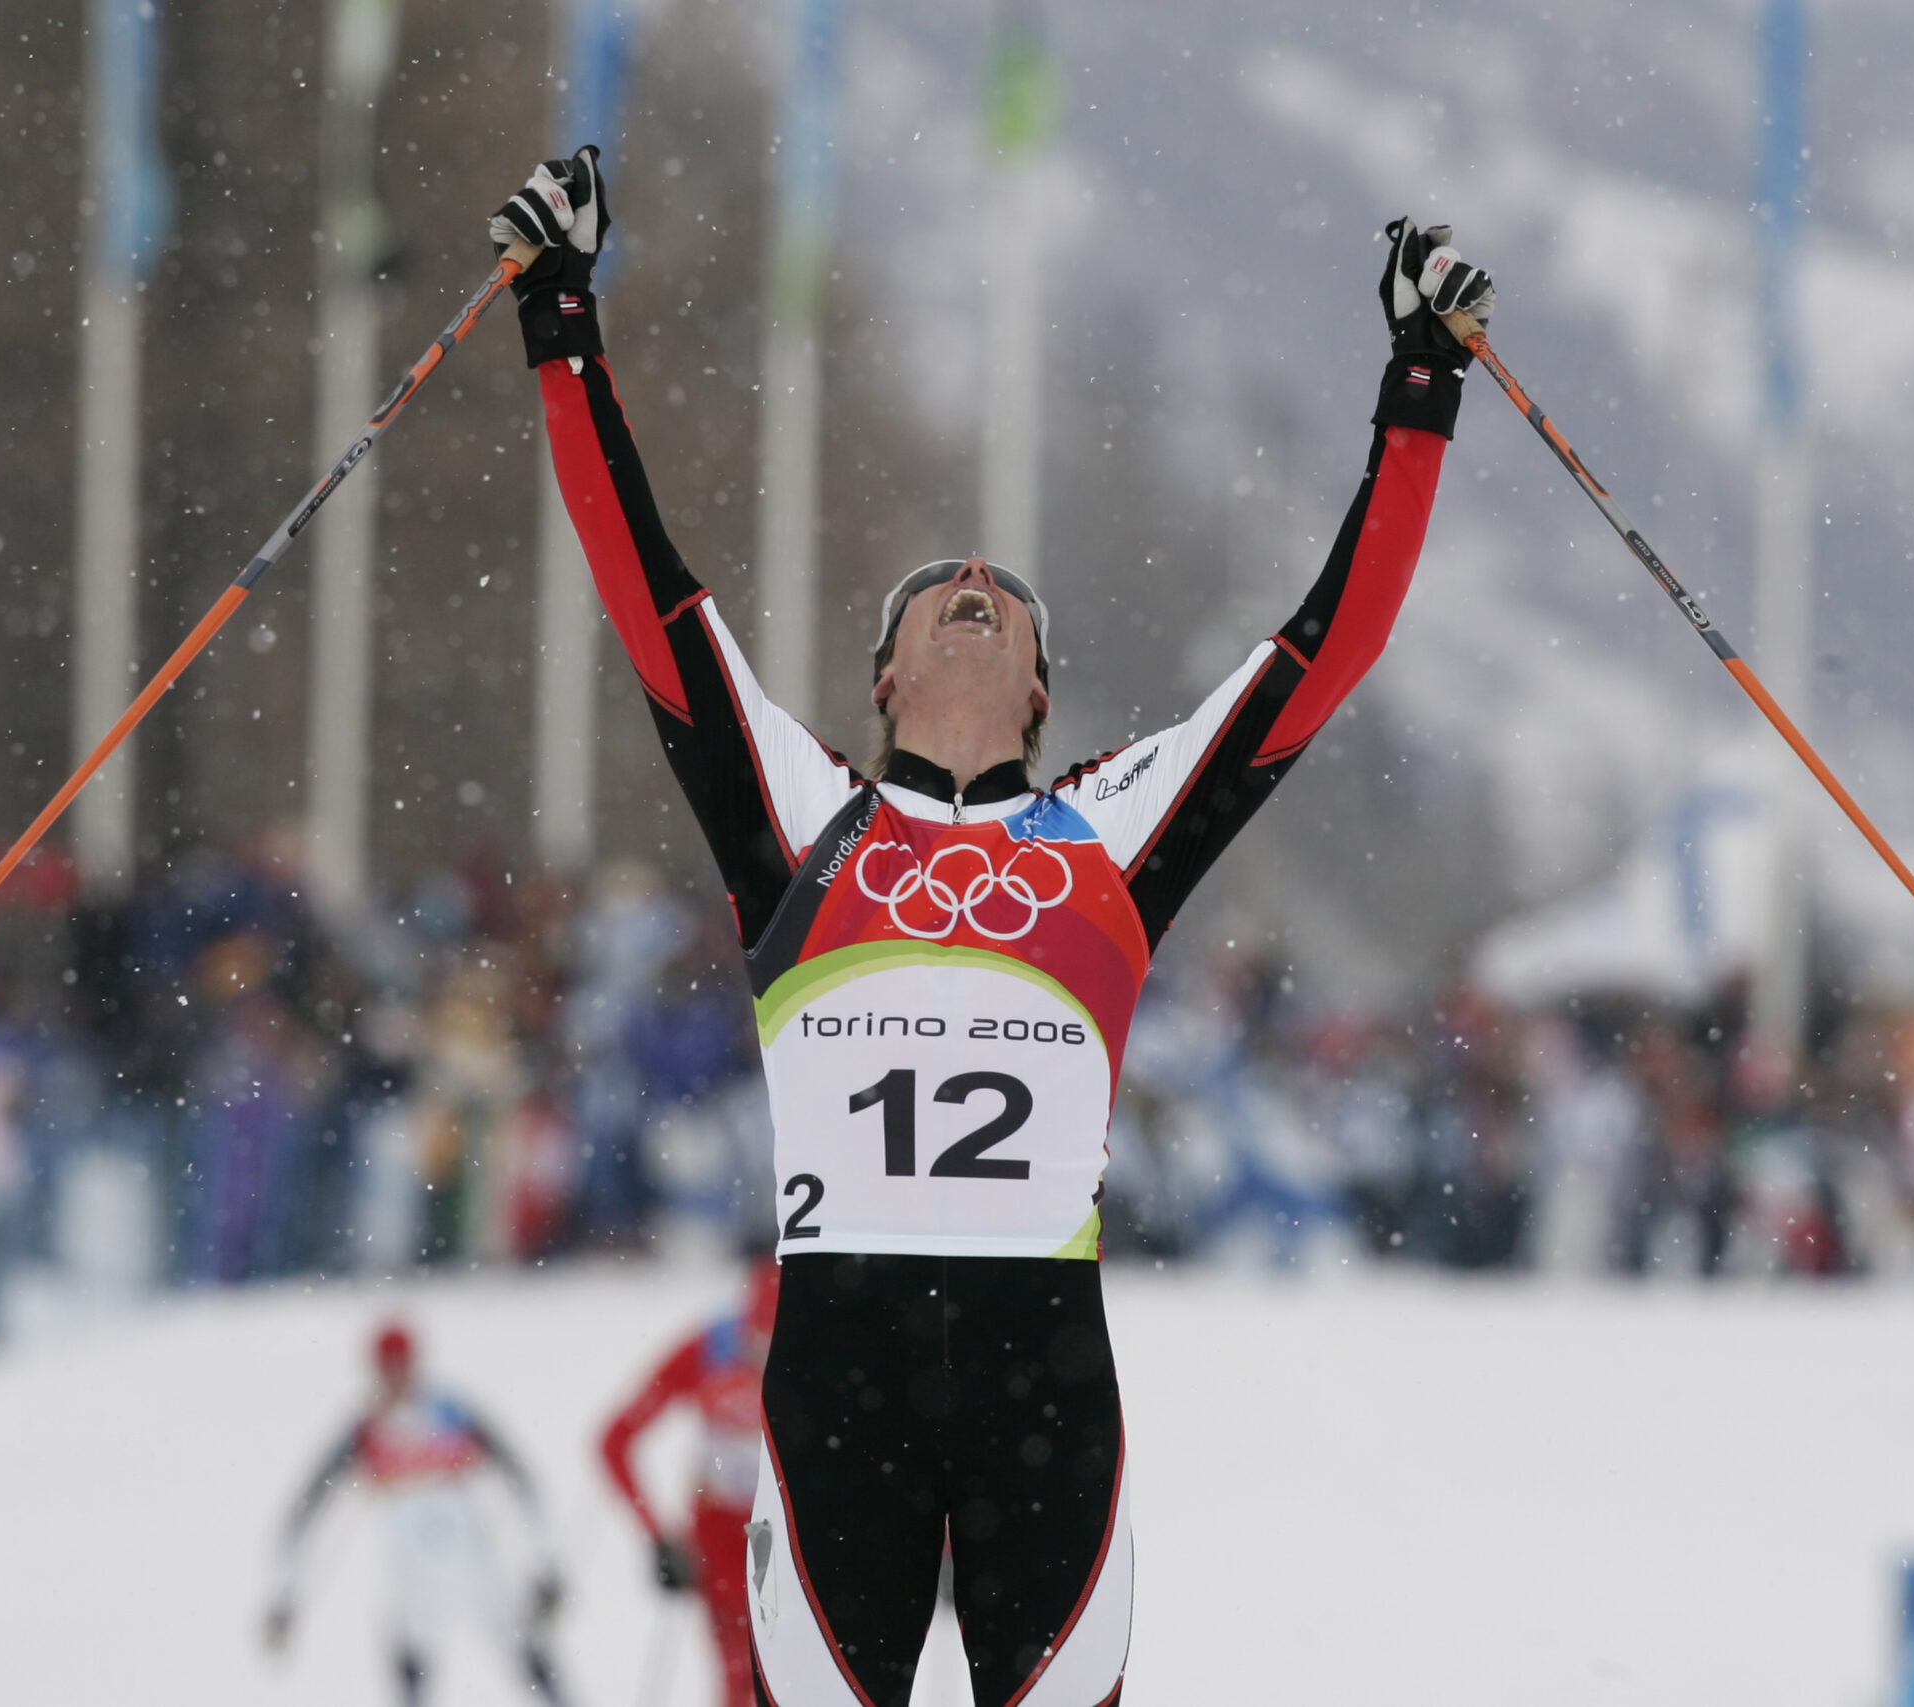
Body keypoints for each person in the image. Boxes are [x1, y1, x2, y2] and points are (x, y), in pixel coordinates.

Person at [492, 148, 1490, 1707]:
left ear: (1041, 686)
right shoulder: (803, 812)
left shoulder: (1107, 826)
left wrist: (1420, 383)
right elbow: (648, 585)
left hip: (1046, 1373)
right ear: (881, 676)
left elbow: (1321, 648)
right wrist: (561, 317)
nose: (972, 577)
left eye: (1005, 590)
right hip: (839, 1372)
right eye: (934, 585)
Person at [263, 1320, 567, 1706]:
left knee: (523, 1648)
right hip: (411, 1569)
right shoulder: (366, 1427)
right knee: (409, 1651)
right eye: (386, 1369)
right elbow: (309, 1509)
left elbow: (518, 1478)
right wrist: (284, 1597)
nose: (395, 1379)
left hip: (471, 1557)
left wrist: (544, 1563)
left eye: (401, 1366)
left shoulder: (451, 1409)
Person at [599, 1258, 781, 1707]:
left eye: (772, 1345)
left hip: (795, 1537)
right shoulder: (707, 1349)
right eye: (753, 1341)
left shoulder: (822, 1358)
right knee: (744, 1682)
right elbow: (615, 1441)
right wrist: (658, 1537)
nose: (760, 1355)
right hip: (723, 1534)